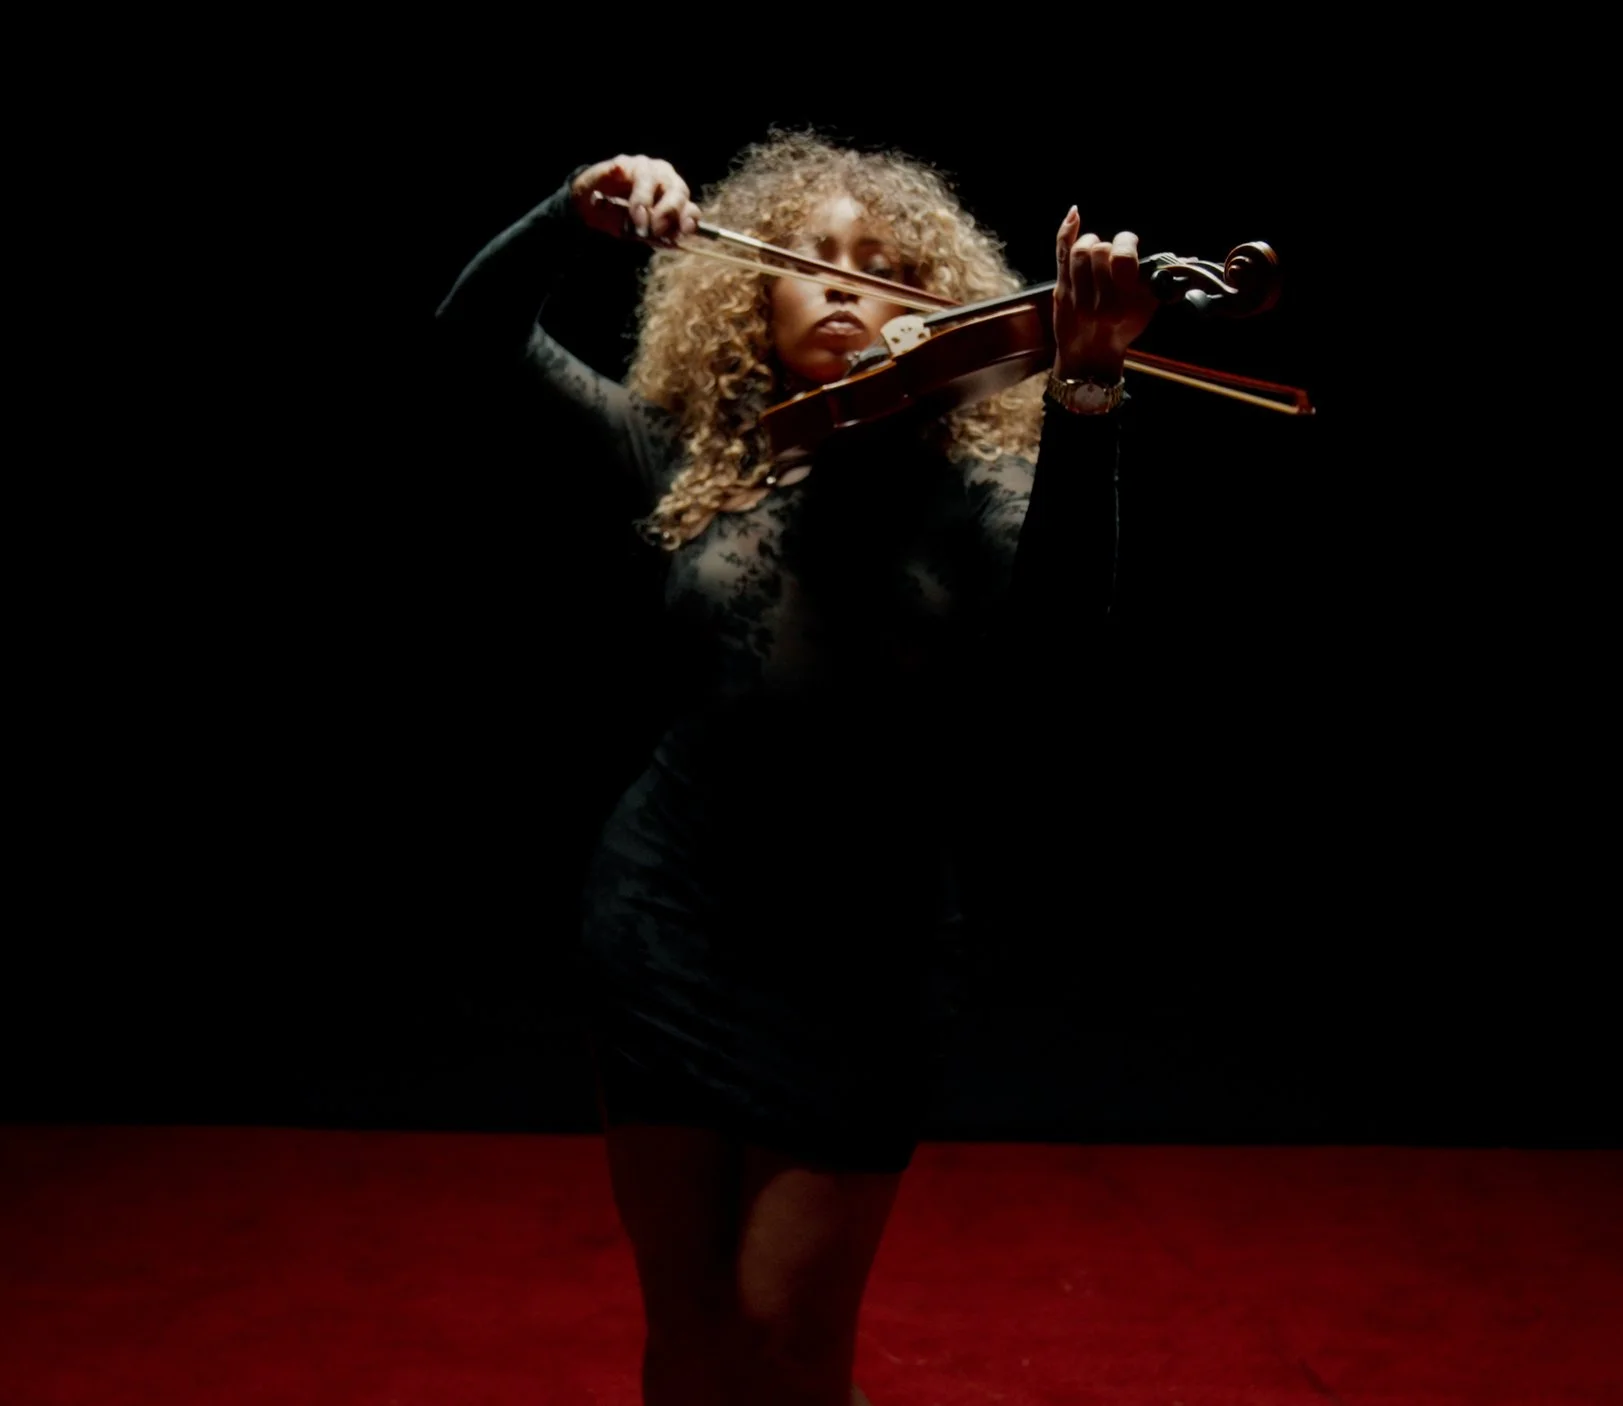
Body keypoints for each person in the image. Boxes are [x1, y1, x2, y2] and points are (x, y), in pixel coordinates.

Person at [434, 130, 1155, 1406]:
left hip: (859, 952)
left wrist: (1087, 386)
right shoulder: (691, 453)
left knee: (787, 1343)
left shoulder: (977, 481)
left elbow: (1061, 638)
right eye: (809, 258)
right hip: (663, 916)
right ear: (749, 291)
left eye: (882, 265)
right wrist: (571, 208)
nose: (839, 282)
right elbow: (468, 340)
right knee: (691, 1333)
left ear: (937, 306)